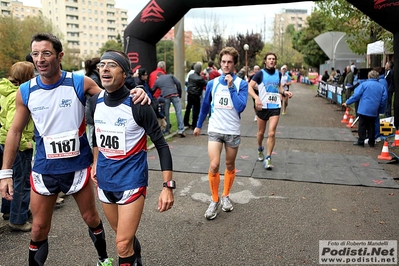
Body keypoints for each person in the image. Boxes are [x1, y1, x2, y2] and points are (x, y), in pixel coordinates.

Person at [0, 33, 149, 266]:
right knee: (38, 228)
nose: (40, 59)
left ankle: (103, 259)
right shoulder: (26, 91)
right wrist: (6, 173)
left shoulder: (80, 83)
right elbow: (15, 132)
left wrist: (137, 90)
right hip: (44, 169)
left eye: (46, 53)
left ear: (59, 56)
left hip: (78, 168)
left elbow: (114, 97)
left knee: (92, 219)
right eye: (36, 54)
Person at [89, 50, 174, 266]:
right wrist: (96, 163)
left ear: (125, 73)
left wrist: (168, 186)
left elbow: (162, 145)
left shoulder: (138, 104)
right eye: (102, 65)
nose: (105, 68)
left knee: (122, 244)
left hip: (131, 181)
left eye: (112, 65)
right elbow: (97, 135)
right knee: (123, 236)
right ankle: (136, 260)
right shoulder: (95, 101)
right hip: (105, 181)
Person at [193, 47, 248, 220]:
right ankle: (214, 199)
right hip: (215, 129)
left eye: (229, 62)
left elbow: (240, 107)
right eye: (223, 62)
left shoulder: (242, 84)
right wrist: (198, 125)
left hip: (232, 131)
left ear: (234, 64)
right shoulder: (212, 83)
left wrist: (231, 87)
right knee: (215, 165)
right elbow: (205, 106)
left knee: (229, 165)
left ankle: (225, 196)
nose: (225, 65)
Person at [0, 61, 35, 232]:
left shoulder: (5, 91)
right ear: (26, 78)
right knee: (21, 181)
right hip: (18, 146)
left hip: (2, 142)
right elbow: (12, 127)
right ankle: (18, 218)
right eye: (32, 74)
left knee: (8, 178)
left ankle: (8, 211)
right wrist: (24, 143)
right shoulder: (18, 96)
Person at [248, 52, 293, 170]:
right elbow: (249, 86)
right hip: (262, 107)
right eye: (269, 59)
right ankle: (259, 148)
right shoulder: (260, 74)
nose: (272, 61)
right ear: (265, 61)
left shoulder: (278, 74)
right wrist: (256, 98)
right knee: (261, 133)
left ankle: (268, 157)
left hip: (275, 106)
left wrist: (284, 92)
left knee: (271, 133)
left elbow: (279, 87)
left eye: (273, 59)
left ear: (275, 61)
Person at [342, 70, 387, 147]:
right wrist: (381, 109)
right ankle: (371, 141)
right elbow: (384, 99)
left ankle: (361, 140)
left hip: (364, 108)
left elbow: (356, 95)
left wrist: (347, 102)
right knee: (372, 126)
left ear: (369, 76)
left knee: (362, 125)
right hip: (374, 109)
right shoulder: (382, 87)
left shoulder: (364, 84)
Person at [151, 72, 185, 137]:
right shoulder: (170, 76)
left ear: (157, 76)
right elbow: (178, 83)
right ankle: (181, 129)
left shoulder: (157, 81)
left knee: (166, 114)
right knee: (179, 112)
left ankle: (167, 130)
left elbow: (153, 90)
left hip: (165, 96)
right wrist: (179, 93)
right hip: (174, 94)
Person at [85, 57, 104, 149]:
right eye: (102, 65)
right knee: (92, 136)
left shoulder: (92, 77)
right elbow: (96, 96)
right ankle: (92, 158)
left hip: (92, 110)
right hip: (93, 111)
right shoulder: (94, 79)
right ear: (97, 67)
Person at [184, 62, 207, 129]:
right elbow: (205, 84)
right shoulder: (200, 78)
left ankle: (185, 121)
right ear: (200, 70)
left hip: (190, 94)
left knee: (188, 108)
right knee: (196, 110)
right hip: (196, 95)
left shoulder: (191, 76)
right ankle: (194, 124)